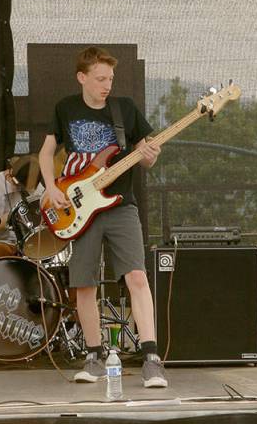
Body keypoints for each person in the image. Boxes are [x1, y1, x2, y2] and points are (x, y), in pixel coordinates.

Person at [38, 46, 168, 388]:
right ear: (82, 78)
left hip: (121, 203)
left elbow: (146, 159)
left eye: (109, 78)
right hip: (81, 206)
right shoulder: (65, 108)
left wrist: (149, 155)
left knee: (137, 276)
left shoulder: (124, 109)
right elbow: (47, 151)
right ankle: (93, 356)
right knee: (84, 283)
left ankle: (151, 357)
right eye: (99, 79)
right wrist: (51, 187)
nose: (106, 85)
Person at [0, 154, 43, 258]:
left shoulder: (33, 183)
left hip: (28, 243)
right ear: (12, 176)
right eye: (19, 186)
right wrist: (14, 215)